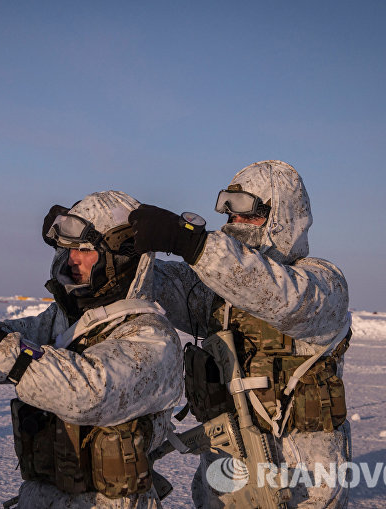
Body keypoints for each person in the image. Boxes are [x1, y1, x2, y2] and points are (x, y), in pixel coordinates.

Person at [0, 190, 184, 508]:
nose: (72, 260)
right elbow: (4, 358)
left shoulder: (152, 338)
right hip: (43, 497)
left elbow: (88, 393)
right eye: (67, 250)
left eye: (83, 250)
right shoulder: (67, 318)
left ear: (122, 255)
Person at [128, 160, 352, 508]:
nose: (235, 224)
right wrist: (114, 248)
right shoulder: (218, 289)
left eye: (249, 214)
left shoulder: (322, 283)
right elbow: (167, 284)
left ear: (282, 217)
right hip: (227, 461)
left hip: (299, 471)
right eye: (230, 215)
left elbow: (278, 295)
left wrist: (192, 244)